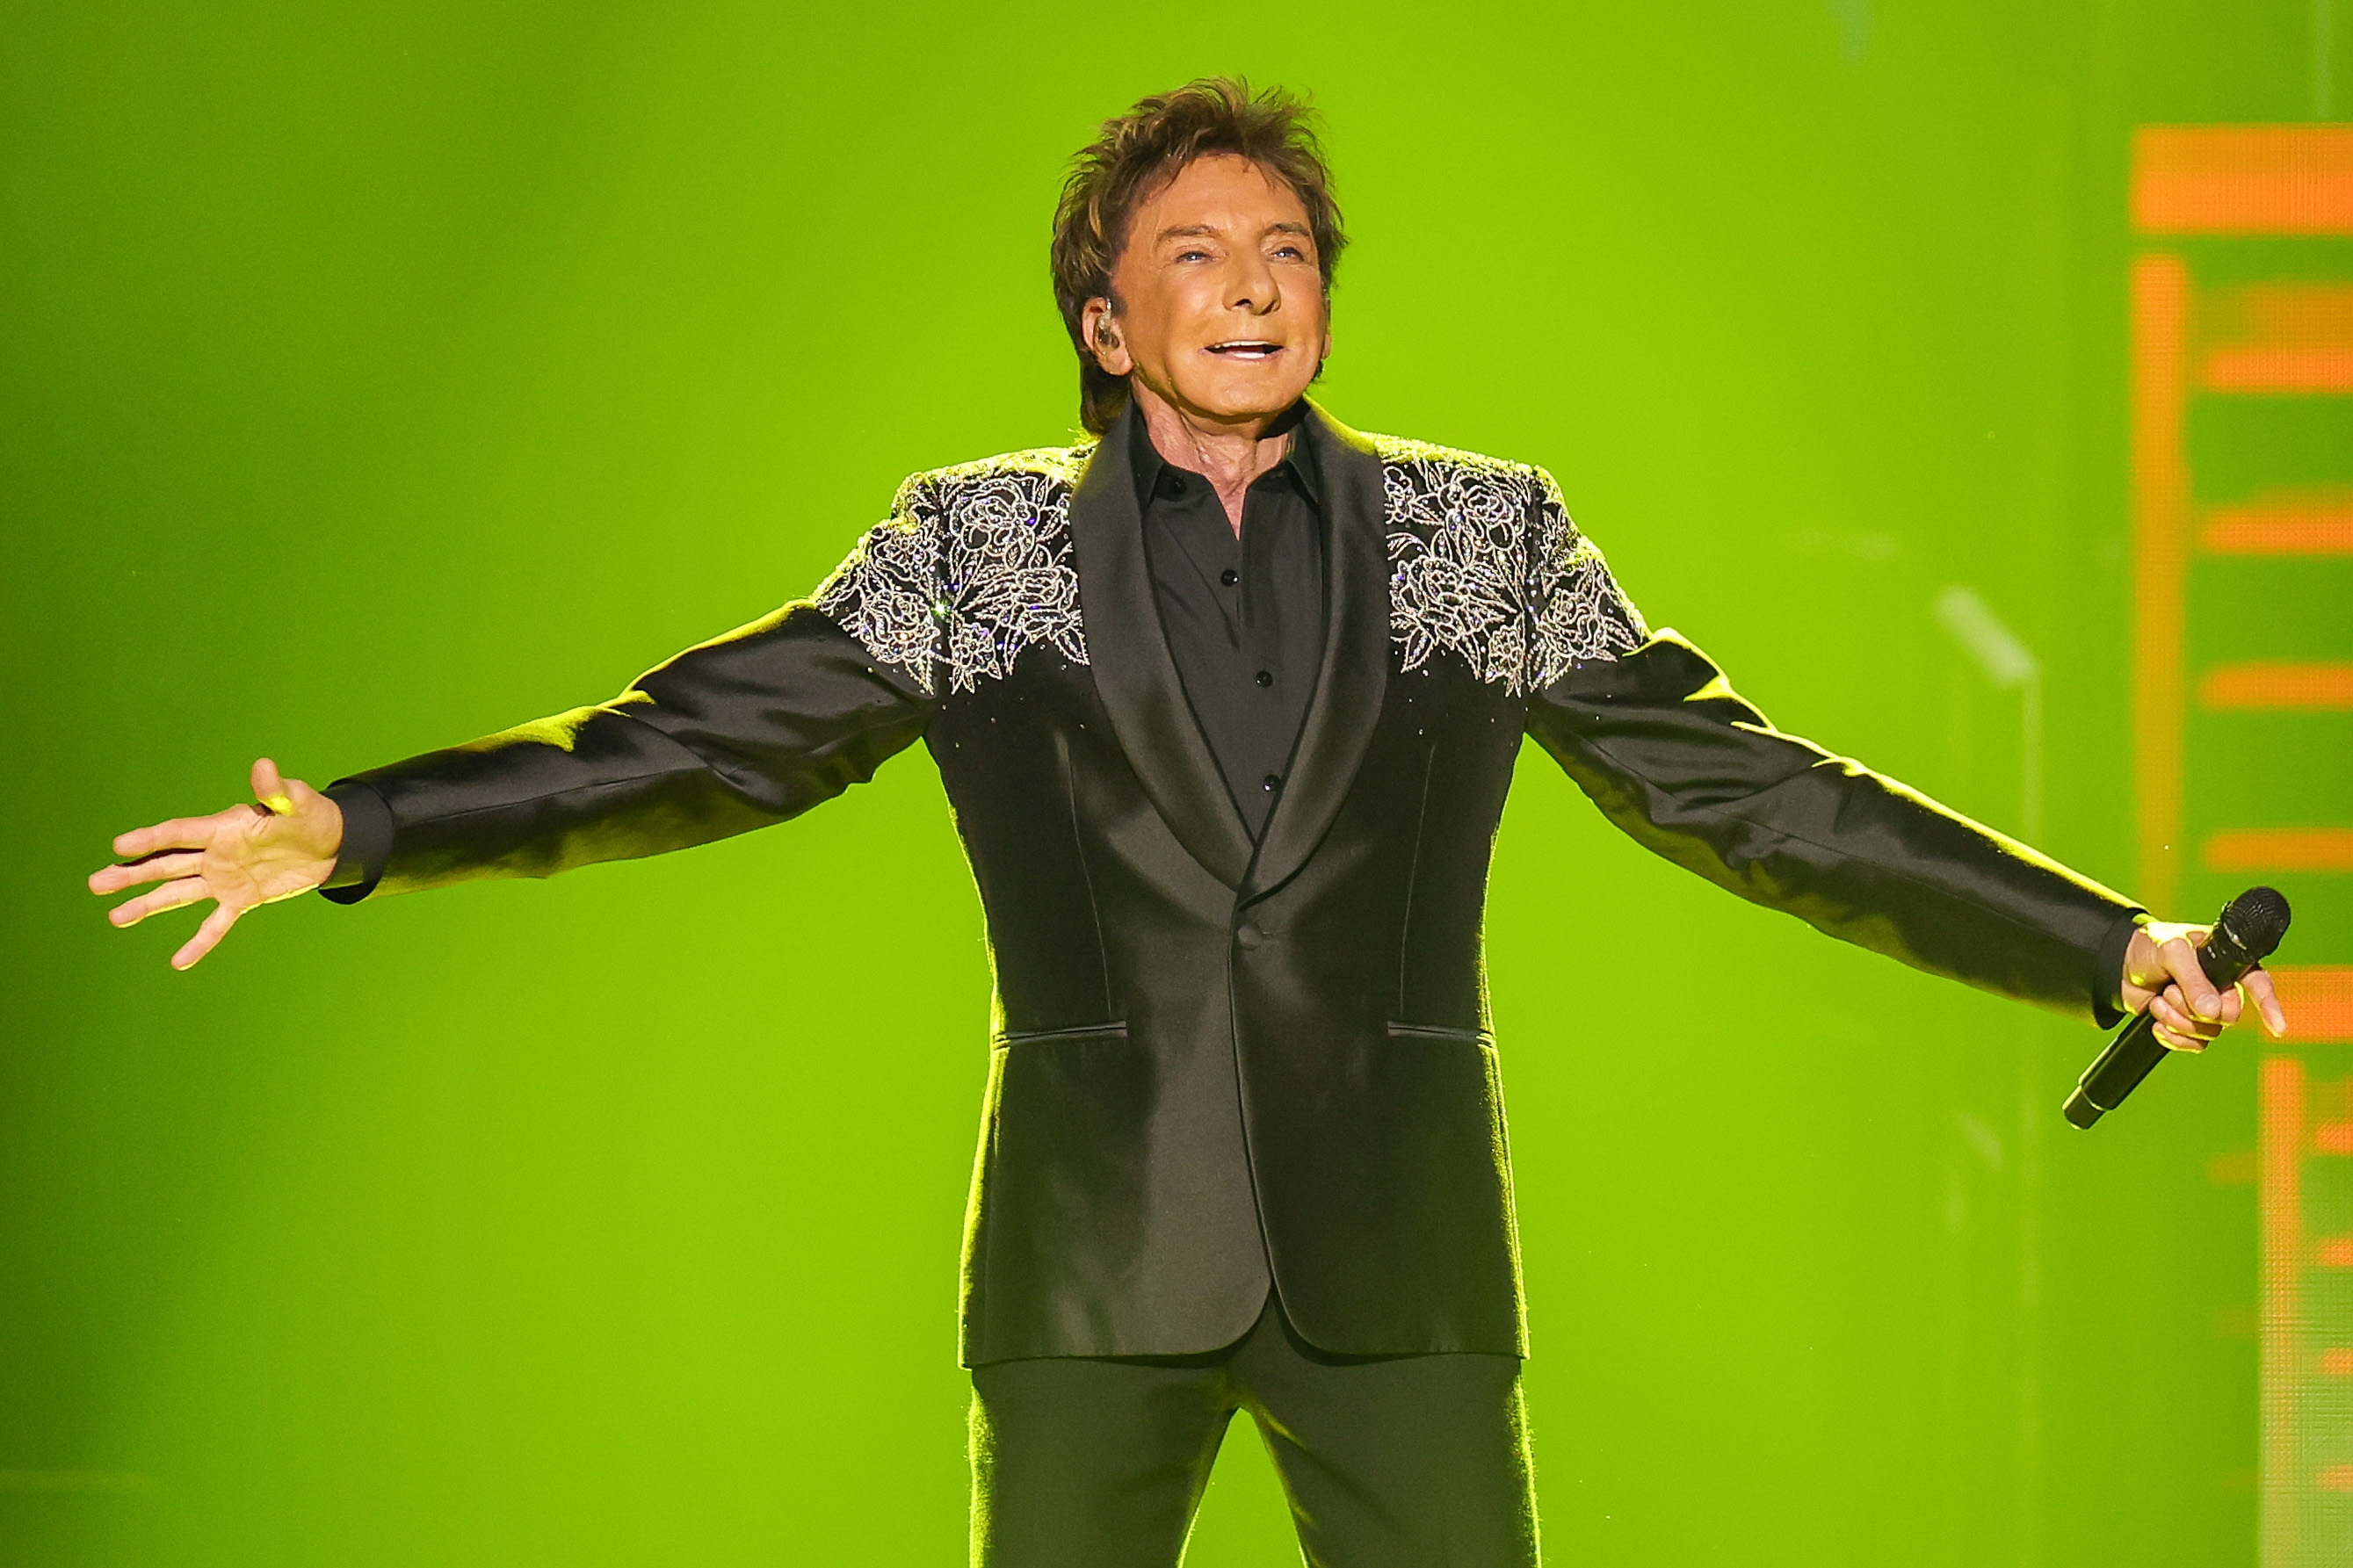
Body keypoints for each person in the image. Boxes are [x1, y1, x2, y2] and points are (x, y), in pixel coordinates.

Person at [87, 78, 2284, 1568]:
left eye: (1288, 249)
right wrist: (365, 826)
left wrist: (2099, 941)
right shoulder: (975, 546)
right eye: (1198, 251)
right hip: (1089, 1259)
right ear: (1103, 314)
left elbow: (1755, 791)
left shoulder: (1481, 533)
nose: (1251, 284)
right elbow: (693, 742)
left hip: (1402, 1266)